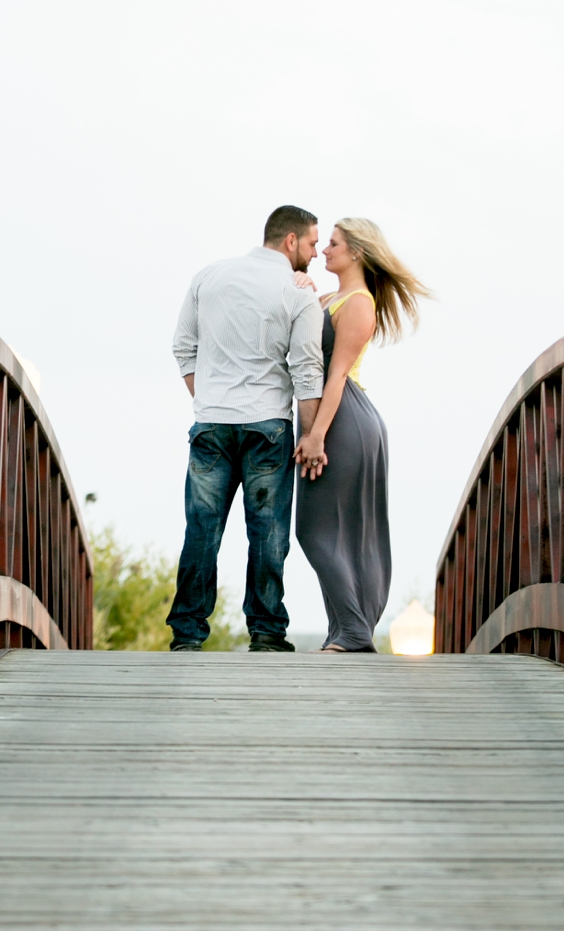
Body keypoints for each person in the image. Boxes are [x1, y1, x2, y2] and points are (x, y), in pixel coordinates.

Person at [167, 206, 324, 652]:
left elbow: (183, 346)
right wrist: (310, 437)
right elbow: (307, 370)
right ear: (291, 241)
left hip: (212, 424)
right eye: (312, 243)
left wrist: (211, 400)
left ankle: (187, 633)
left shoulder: (209, 276)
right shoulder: (298, 295)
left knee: (201, 530)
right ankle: (268, 632)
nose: (314, 254)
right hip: (268, 428)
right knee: (269, 532)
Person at [294, 218, 429, 653]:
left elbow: (335, 375)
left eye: (332, 244)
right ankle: (344, 633)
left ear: (356, 252)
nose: (325, 250)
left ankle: (353, 631)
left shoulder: (359, 303)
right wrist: (298, 289)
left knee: (315, 530)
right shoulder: (331, 297)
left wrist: (316, 436)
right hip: (336, 419)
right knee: (334, 530)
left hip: (343, 420)